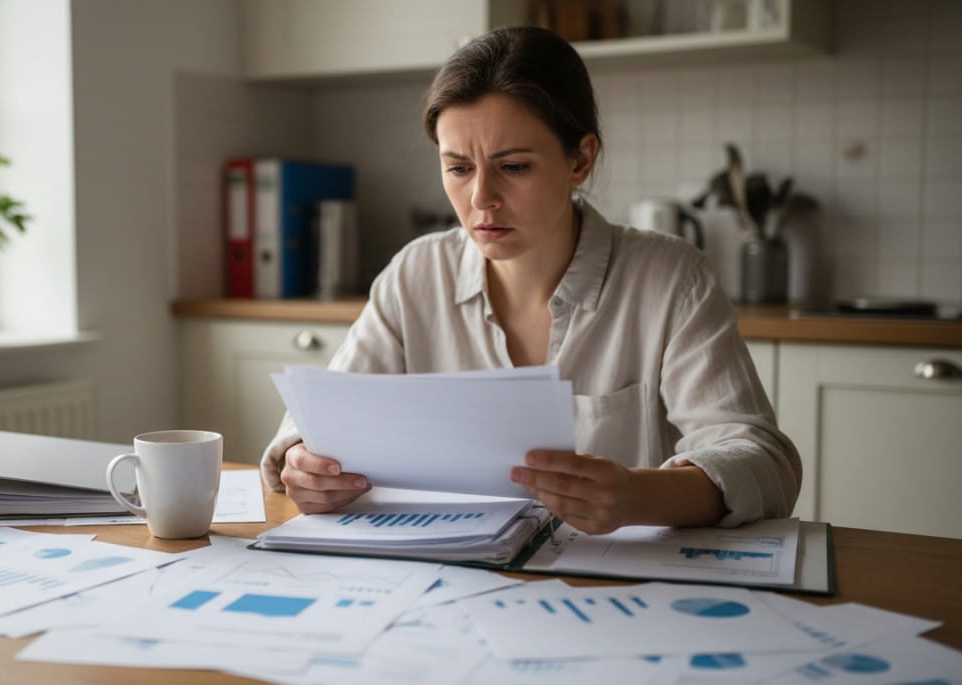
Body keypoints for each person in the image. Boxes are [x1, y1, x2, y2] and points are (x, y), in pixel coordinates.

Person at [260, 26, 800, 535]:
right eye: (458, 168)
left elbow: (762, 460)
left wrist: (638, 495)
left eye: (513, 166)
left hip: (605, 589)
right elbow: (319, 425)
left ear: (581, 159)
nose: (480, 199)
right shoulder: (415, 274)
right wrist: (306, 464)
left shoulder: (670, 279)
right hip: (446, 579)